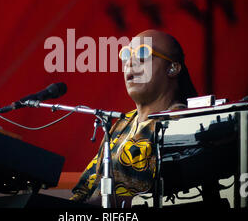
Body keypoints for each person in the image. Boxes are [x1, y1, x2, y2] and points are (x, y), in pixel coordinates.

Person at [70, 29, 198, 207]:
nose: (130, 62)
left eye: (143, 53)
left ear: (172, 68)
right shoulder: (121, 123)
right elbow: (84, 190)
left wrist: (110, 204)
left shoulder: (184, 123)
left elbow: (183, 197)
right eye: (126, 55)